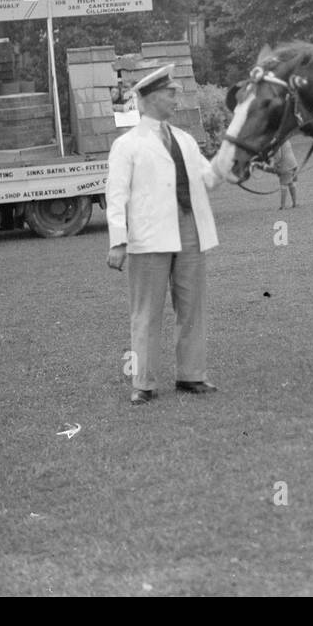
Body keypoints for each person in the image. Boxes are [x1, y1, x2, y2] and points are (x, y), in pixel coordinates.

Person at [106, 64, 222, 405]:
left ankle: (192, 375)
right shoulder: (127, 145)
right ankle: (143, 383)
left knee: (192, 307)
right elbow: (116, 195)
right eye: (170, 93)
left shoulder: (185, 140)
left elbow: (210, 178)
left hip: (190, 231)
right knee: (146, 311)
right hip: (148, 237)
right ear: (151, 98)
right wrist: (118, 240)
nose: (176, 98)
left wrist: (234, 161)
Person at [271, 139, 299, 209]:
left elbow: (278, 157)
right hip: (293, 163)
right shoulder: (285, 138)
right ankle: (295, 203)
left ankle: (282, 206)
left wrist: (275, 165)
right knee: (291, 183)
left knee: (283, 185)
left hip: (285, 166)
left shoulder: (275, 142)